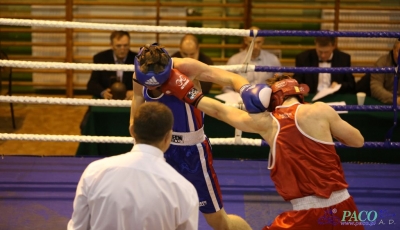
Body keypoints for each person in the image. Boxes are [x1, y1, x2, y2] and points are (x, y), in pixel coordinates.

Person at [161, 73, 365, 229]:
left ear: (272, 99)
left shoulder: (269, 123)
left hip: (306, 215)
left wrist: (183, 88)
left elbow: (219, 110)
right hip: (345, 207)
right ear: (299, 93)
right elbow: (357, 141)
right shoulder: (321, 110)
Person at [130, 43, 268, 230]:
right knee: (158, 215)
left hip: (192, 153)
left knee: (219, 222)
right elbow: (138, 99)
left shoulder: (186, 68)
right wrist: (134, 130)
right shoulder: (140, 73)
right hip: (159, 150)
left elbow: (229, 77)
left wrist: (244, 88)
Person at [68, 102, 199, 230]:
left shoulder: (95, 172)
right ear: (168, 137)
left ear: (132, 131)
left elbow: (78, 227)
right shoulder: (183, 189)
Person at [223, 26, 281, 92]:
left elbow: (280, 84)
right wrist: (237, 99)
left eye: (258, 42)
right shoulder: (234, 60)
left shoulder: (273, 60)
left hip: (266, 99)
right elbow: (226, 87)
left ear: (263, 40)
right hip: (240, 99)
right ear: (245, 41)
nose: (255, 46)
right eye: (251, 42)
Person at [86, 31, 137, 100]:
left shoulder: (137, 59)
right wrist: (103, 92)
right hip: (108, 101)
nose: (122, 49)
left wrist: (135, 92)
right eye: (118, 46)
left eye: (125, 45)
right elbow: (92, 84)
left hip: (130, 101)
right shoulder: (100, 58)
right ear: (111, 45)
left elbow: (145, 83)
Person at [370, 39, 400, 104]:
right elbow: (375, 88)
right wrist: (395, 99)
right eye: (399, 52)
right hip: (385, 103)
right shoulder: (382, 62)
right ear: (393, 50)